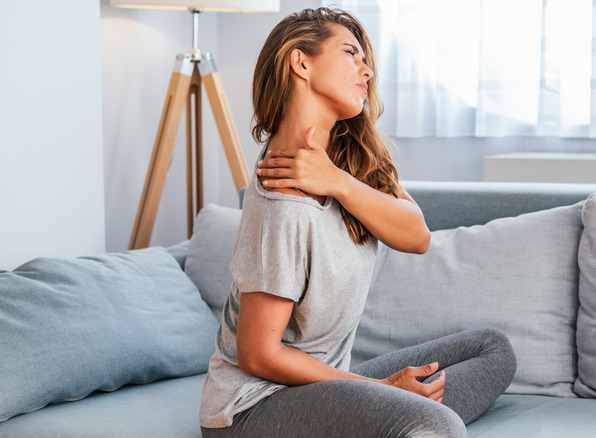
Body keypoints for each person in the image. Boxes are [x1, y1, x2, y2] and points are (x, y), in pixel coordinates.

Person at [199, 7, 516, 438]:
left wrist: (337, 181)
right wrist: (380, 389)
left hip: (324, 387)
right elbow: (258, 356)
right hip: (253, 408)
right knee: (433, 421)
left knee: (491, 349)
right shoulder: (280, 197)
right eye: (352, 54)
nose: (366, 71)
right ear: (301, 62)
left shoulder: (351, 160)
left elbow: (417, 235)